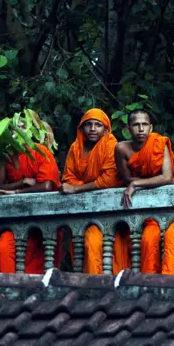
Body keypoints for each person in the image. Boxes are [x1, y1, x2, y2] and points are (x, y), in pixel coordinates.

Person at [114, 110, 174, 274]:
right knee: (147, 239)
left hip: (168, 204)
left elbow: (167, 177)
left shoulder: (158, 143)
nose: (141, 129)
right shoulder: (121, 149)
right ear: (128, 129)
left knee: (158, 238)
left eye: (144, 125)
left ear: (151, 127)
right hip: (142, 209)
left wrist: (136, 184)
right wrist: (134, 183)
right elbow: (126, 179)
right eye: (136, 125)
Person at [59, 108, 128, 274]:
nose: (92, 128)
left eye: (97, 125)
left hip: (108, 210)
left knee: (96, 244)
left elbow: (109, 180)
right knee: (81, 250)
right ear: (81, 128)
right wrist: (85, 185)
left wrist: (77, 188)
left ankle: (99, 288)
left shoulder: (111, 144)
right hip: (81, 213)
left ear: (105, 129)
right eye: (88, 124)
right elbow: (67, 179)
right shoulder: (75, 148)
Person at [0, 143, 61, 273]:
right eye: (15, 127)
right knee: (2, 250)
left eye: (23, 126)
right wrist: (22, 182)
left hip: (45, 218)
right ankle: (8, 291)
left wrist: (16, 191)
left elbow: (46, 186)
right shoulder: (6, 155)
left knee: (41, 263)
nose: (19, 130)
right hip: (17, 218)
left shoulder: (41, 151)